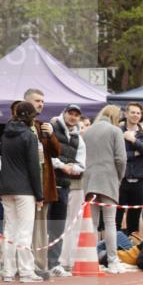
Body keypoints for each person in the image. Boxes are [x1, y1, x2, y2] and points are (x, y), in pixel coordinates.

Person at [0, 101, 45, 283]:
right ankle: (26, 271)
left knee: (10, 229)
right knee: (24, 230)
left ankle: (8, 271)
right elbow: (34, 167)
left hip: (6, 187)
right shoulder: (29, 136)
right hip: (24, 188)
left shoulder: (5, 134)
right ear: (30, 117)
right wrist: (39, 195)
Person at [82, 104, 128, 273]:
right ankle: (112, 261)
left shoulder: (87, 132)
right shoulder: (115, 131)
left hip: (89, 180)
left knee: (92, 223)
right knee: (110, 222)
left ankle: (92, 260)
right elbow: (121, 159)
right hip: (108, 178)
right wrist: (119, 177)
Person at [24, 87, 61, 274]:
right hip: (24, 186)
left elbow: (56, 152)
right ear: (27, 102)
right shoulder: (17, 126)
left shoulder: (42, 126)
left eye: (42, 101)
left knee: (40, 228)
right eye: (37, 100)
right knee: (24, 228)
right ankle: (23, 265)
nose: (41, 104)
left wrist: (51, 135)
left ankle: (39, 265)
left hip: (43, 185)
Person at [48, 104, 85, 276]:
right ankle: (37, 262)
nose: (73, 117)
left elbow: (81, 165)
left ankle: (54, 263)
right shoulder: (51, 128)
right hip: (47, 184)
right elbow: (46, 155)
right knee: (41, 225)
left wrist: (72, 168)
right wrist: (62, 165)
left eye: (76, 115)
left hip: (64, 186)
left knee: (58, 226)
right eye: (71, 113)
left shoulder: (78, 138)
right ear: (64, 113)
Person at [116, 102, 143, 236]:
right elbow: (118, 156)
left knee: (134, 218)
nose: (135, 115)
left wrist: (133, 140)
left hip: (139, 180)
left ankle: (131, 244)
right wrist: (135, 153)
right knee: (116, 217)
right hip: (121, 179)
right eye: (133, 112)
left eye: (138, 113)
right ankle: (115, 244)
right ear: (126, 114)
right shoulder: (118, 131)